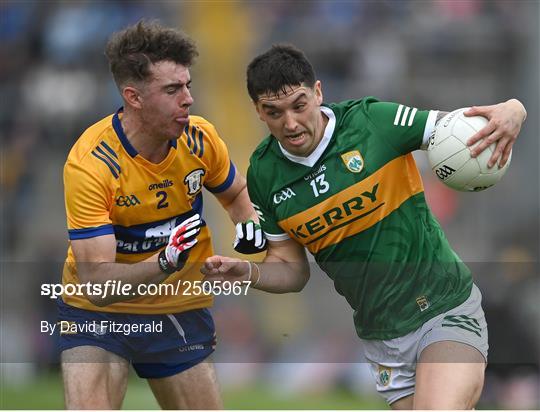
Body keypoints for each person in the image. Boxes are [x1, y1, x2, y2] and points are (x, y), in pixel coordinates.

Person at [201, 44, 527, 409]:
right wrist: (248, 271)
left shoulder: (372, 122)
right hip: (382, 338)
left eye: (299, 104)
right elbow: (292, 270)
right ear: (258, 111)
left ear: (318, 92)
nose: (290, 123)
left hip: (444, 309)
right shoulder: (264, 174)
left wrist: (514, 109)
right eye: (274, 112)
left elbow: (454, 128)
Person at [59, 21, 265, 410]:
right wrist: (163, 262)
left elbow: (236, 192)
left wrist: (248, 224)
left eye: (187, 85)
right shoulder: (90, 166)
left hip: (178, 305)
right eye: (172, 90)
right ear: (133, 97)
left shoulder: (199, 137)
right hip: (98, 314)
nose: (188, 99)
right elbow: (97, 287)